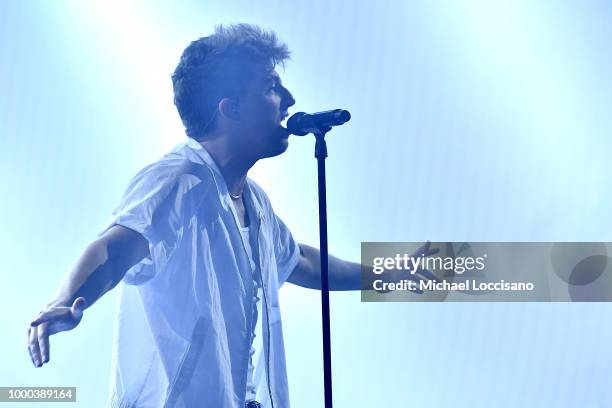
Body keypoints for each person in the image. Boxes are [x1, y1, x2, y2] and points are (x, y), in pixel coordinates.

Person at [27, 24, 435, 408]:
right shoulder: (178, 179)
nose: (290, 100)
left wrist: (389, 275)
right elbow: (115, 249)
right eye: (272, 87)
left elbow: (302, 261)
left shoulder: (254, 202)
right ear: (231, 107)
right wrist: (64, 300)